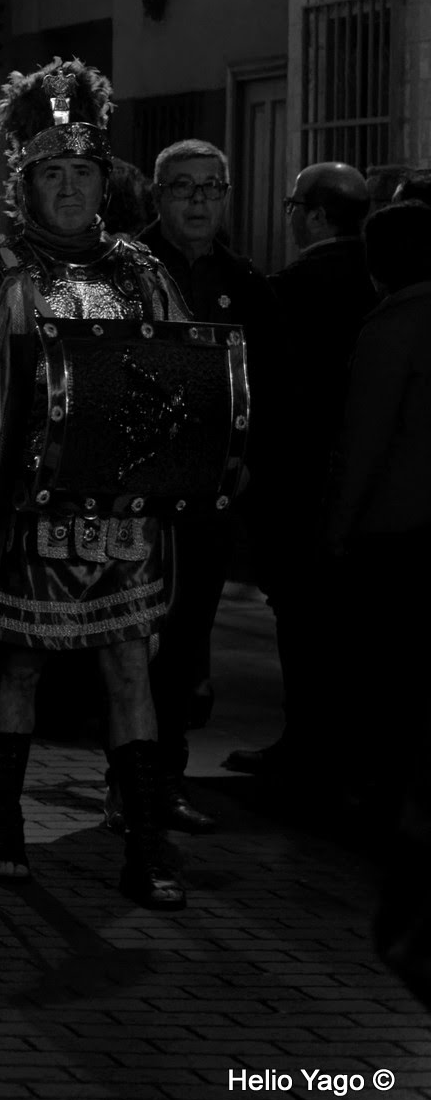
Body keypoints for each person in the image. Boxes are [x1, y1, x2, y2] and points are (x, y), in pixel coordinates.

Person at [0, 59, 194, 910]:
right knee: (22, 668)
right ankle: (6, 832)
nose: (70, 190)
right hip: (29, 505)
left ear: (106, 182)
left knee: (129, 668)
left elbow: (185, 374)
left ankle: (145, 848)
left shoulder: (140, 269)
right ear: (26, 183)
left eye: (84, 173)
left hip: (122, 509)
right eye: (53, 174)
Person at [129, 140, 276, 834]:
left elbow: (271, 388)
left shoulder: (245, 283)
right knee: (129, 644)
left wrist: (247, 457)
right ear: (157, 195)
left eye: (210, 188)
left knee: (187, 642)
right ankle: (124, 778)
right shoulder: (120, 270)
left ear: (226, 197)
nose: (197, 200)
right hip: (130, 495)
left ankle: (165, 780)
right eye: (182, 187)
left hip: (207, 495)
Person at [229, 161, 376, 791]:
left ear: (315, 215)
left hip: (297, 479)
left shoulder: (288, 288)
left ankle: (305, 741)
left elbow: (263, 390)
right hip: (366, 478)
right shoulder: (379, 282)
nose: (288, 215)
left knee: (301, 618)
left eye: (293, 204)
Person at [324, 199, 431, 825]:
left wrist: (336, 531)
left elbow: (361, 442)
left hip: (395, 529)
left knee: (390, 676)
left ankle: (385, 797)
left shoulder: (393, 325)